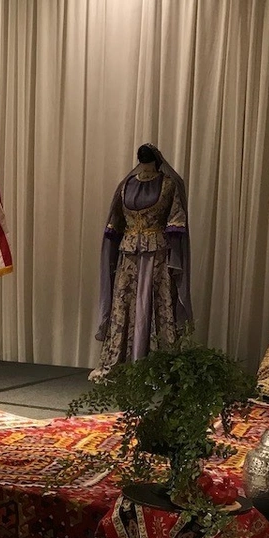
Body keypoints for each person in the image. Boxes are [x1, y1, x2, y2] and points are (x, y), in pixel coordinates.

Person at [92, 143, 193, 378]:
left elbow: (177, 222)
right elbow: (114, 224)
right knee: (126, 304)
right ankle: (123, 360)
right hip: (128, 255)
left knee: (155, 301)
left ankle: (157, 363)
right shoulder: (126, 186)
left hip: (157, 256)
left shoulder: (169, 184)